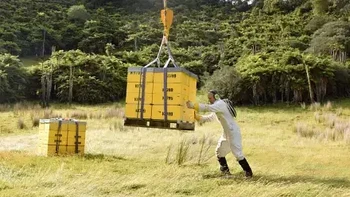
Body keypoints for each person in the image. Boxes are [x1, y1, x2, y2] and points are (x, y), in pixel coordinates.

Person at [186, 90, 253, 178]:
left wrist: (193, 106)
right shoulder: (217, 107)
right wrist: (197, 117)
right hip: (227, 133)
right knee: (219, 152)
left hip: (233, 132)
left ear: (216, 96)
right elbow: (210, 117)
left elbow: (208, 108)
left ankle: (248, 174)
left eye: (210, 98)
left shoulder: (220, 104)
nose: (209, 100)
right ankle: (226, 173)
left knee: (237, 154)